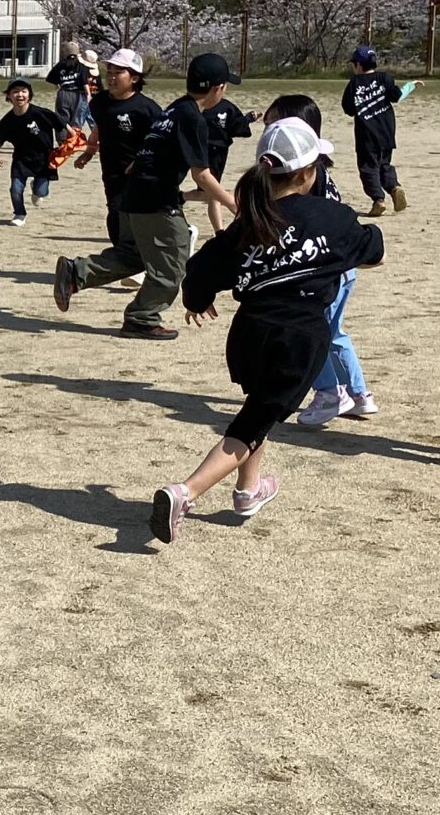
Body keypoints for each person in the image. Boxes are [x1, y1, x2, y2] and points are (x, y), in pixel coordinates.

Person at [150, 118, 384, 543]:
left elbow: (201, 269)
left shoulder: (250, 222)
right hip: (298, 339)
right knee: (251, 424)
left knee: (258, 409)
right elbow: (374, 248)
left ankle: (248, 490)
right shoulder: (332, 217)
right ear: (309, 172)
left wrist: (197, 300)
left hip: (248, 335)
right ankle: (185, 491)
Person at [54, 51, 242, 339]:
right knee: (172, 264)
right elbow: (202, 175)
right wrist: (233, 204)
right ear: (218, 88)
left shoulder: (173, 109)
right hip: (155, 201)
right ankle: (142, 318)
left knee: (133, 255)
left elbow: (147, 151)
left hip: (132, 195)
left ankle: (76, 272)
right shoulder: (193, 118)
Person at [264, 94, 381, 428]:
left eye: (274, 125)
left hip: (325, 269)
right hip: (342, 266)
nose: (268, 132)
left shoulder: (302, 176)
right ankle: (359, 393)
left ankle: (329, 392)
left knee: (312, 332)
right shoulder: (317, 168)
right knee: (333, 332)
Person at [69, 47, 160, 249]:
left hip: (141, 172)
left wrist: (141, 161)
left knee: (137, 214)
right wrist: (89, 151)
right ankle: (123, 253)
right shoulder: (100, 102)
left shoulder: (147, 109)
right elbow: (99, 128)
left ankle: (133, 254)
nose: (111, 77)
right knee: (115, 211)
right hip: (112, 170)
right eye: (109, 72)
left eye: (118, 73)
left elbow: (159, 141)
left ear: (134, 78)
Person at [341, 46, 408, 215]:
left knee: (368, 168)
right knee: (384, 164)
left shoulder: (354, 83)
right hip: (386, 132)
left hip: (367, 136)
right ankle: (394, 187)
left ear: (358, 65)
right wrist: (408, 86)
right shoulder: (385, 78)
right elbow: (396, 96)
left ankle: (378, 199)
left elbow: (348, 108)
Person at [0, 78, 66, 226]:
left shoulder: (40, 113)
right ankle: (19, 214)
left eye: (24, 91)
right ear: (9, 96)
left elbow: (60, 122)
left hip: (44, 158)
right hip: (21, 159)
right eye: (15, 92)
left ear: (29, 94)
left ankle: (36, 189)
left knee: (41, 191)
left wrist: (72, 135)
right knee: (15, 189)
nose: (20, 95)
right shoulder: (9, 119)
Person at [45, 38, 93, 131]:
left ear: (65, 53)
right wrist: (88, 95)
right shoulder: (81, 66)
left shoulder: (60, 65)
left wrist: (58, 85)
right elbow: (84, 83)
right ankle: (73, 138)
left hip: (63, 93)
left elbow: (51, 79)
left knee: (62, 117)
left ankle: (62, 137)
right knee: (75, 120)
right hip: (77, 94)